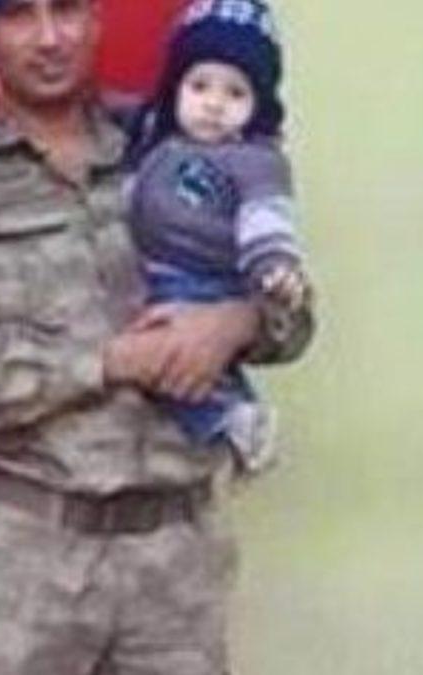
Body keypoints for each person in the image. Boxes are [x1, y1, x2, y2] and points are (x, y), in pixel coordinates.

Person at [0, 0, 314, 672]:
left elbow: (294, 313)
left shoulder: (183, 138)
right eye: (19, 15)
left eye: (66, 9)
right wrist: (112, 360)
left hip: (175, 559)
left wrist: (236, 321)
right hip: (28, 562)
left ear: (95, 18)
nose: (49, 37)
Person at [126, 0, 311, 475]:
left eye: (235, 93)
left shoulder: (254, 161)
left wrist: (274, 270)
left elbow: (266, 220)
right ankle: (234, 416)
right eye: (199, 86)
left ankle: (234, 422)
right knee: (166, 361)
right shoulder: (153, 136)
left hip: (201, 280)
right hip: (155, 273)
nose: (213, 103)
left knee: (175, 364)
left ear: (258, 105)